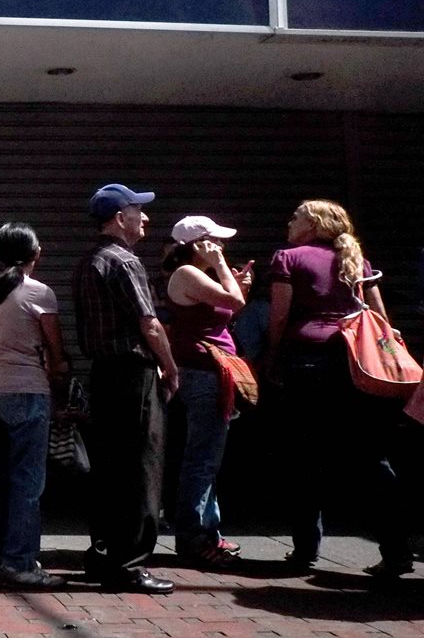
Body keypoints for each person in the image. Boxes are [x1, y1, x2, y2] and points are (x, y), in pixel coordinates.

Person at [266, 199, 414, 578]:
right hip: (355, 366)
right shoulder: (357, 261)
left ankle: (305, 552)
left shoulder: (288, 257)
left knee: (305, 459)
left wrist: (271, 356)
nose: (289, 220)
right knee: (370, 458)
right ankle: (397, 550)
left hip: (309, 362)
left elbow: (280, 314)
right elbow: (381, 320)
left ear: (313, 224)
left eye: (296, 216)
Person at [72, 184, 178, 595]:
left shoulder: (88, 262)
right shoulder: (124, 261)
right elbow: (149, 323)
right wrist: (169, 367)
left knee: (110, 468)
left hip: (103, 373)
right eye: (139, 211)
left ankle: (103, 554)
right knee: (140, 468)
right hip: (134, 373)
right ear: (120, 217)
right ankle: (131, 564)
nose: (146, 218)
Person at [0, 222, 68, 590]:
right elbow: (56, 352)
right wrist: (59, 372)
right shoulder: (40, 293)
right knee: (27, 481)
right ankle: (20, 562)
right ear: (36, 254)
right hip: (26, 391)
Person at [163, 216, 250, 568]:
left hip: (209, 370)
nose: (222, 247)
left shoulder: (198, 276)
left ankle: (208, 531)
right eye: (215, 241)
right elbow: (237, 303)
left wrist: (232, 279)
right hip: (202, 373)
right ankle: (194, 537)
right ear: (198, 244)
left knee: (207, 457)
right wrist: (222, 267)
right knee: (202, 458)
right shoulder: (188, 273)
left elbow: (225, 310)